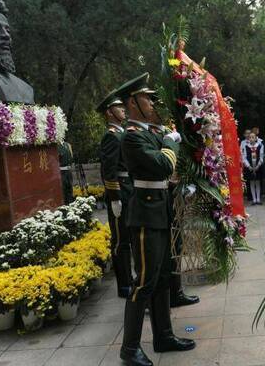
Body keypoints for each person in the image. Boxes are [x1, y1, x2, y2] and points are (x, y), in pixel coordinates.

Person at [115, 72, 195, 366]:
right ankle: (129, 349)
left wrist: (167, 140)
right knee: (144, 281)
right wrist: (171, 143)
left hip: (159, 211)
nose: (151, 101)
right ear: (132, 102)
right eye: (146, 97)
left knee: (161, 278)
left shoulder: (148, 133)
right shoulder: (132, 137)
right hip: (145, 215)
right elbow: (163, 165)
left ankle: (164, 336)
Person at [147, 117, 200, 308]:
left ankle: (176, 292)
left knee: (175, 246)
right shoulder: (145, 136)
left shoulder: (165, 134)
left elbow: (179, 164)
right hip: (153, 200)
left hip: (172, 196)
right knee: (155, 254)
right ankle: (151, 299)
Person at [97, 92, 133, 299]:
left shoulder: (122, 132)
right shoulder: (111, 135)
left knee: (129, 238)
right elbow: (108, 170)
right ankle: (124, 284)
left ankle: (130, 279)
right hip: (120, 191)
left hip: (129, 189)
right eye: (119, 108)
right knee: (121, 240)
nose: (123, 110)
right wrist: (114, 197)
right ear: (110, 113)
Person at [243, 131, 264, 205]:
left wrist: (258, 166)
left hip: (258, 166)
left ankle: (258, 199)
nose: (251, 139)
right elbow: (244, 158)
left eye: (253, 137)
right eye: (250, 137)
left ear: (256, 138)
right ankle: (254, 199)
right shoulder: (246, 146)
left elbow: (261, 157)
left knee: (257, 183)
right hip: (250, 167)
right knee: (252, 183)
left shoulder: (260, 145)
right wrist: (249, 166)